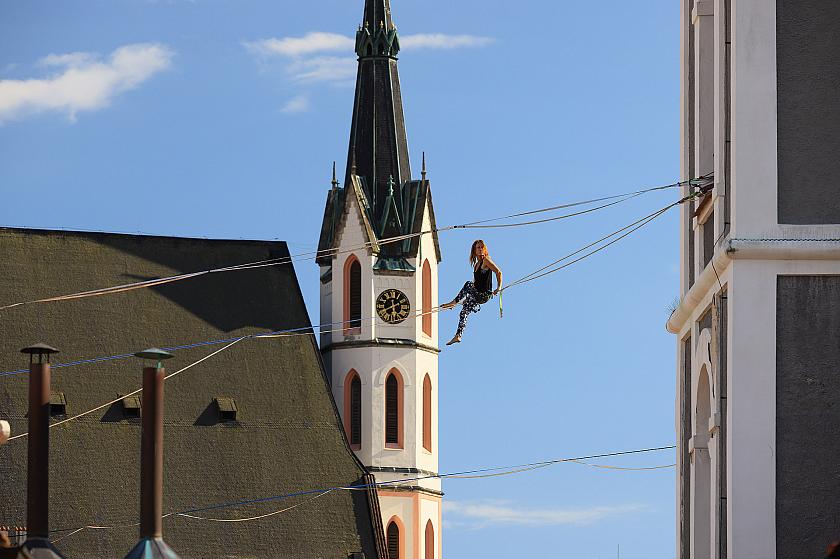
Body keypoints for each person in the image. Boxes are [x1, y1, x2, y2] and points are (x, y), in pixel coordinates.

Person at [441, 239, 502, 345]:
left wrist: (498, 287)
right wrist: (464, 299)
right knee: (464, 312)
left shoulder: (486, 260)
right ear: (474, 250)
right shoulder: (476, 265)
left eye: (481, 247)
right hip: (476, 294)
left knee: (468, 284)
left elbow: (498, 272)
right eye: (477, 247)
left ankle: (453, 302)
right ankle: (458, 335)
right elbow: (475, 284)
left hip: (484, 295)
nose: (480, 249)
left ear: (484, 249)